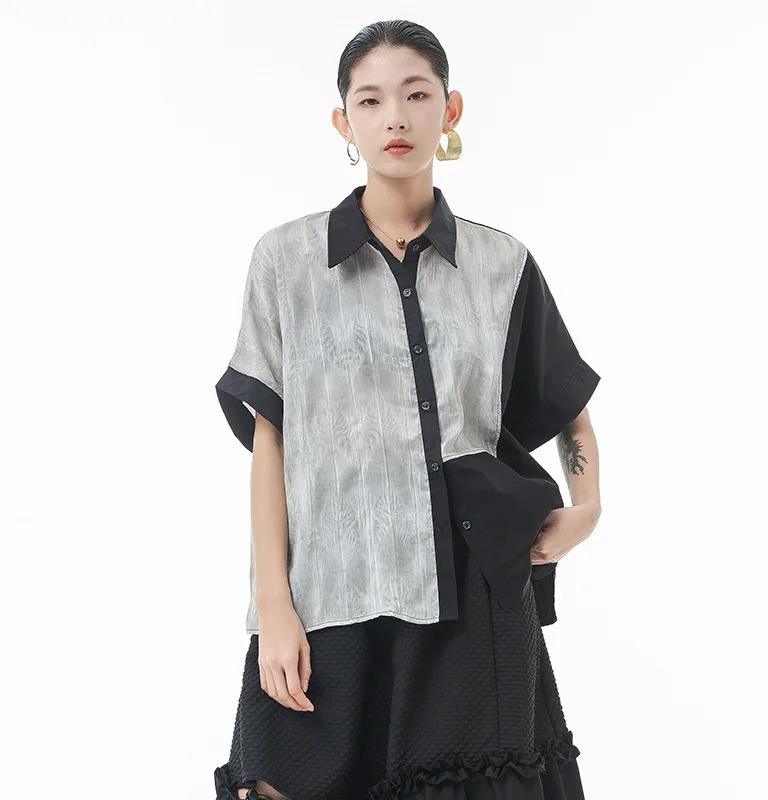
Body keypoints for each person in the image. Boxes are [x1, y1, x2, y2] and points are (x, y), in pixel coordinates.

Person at [213, 19, 602, 800]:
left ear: (449, 111)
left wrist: (587, 506)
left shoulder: (500, 263)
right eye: (371, 100)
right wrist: (272, 606)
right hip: (330, 588)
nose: (395, 116)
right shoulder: (286, 262)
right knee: (280, 780)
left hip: (472, 595)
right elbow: (271, 444)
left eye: (416, 95)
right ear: (344, 123)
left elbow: (566, 404)